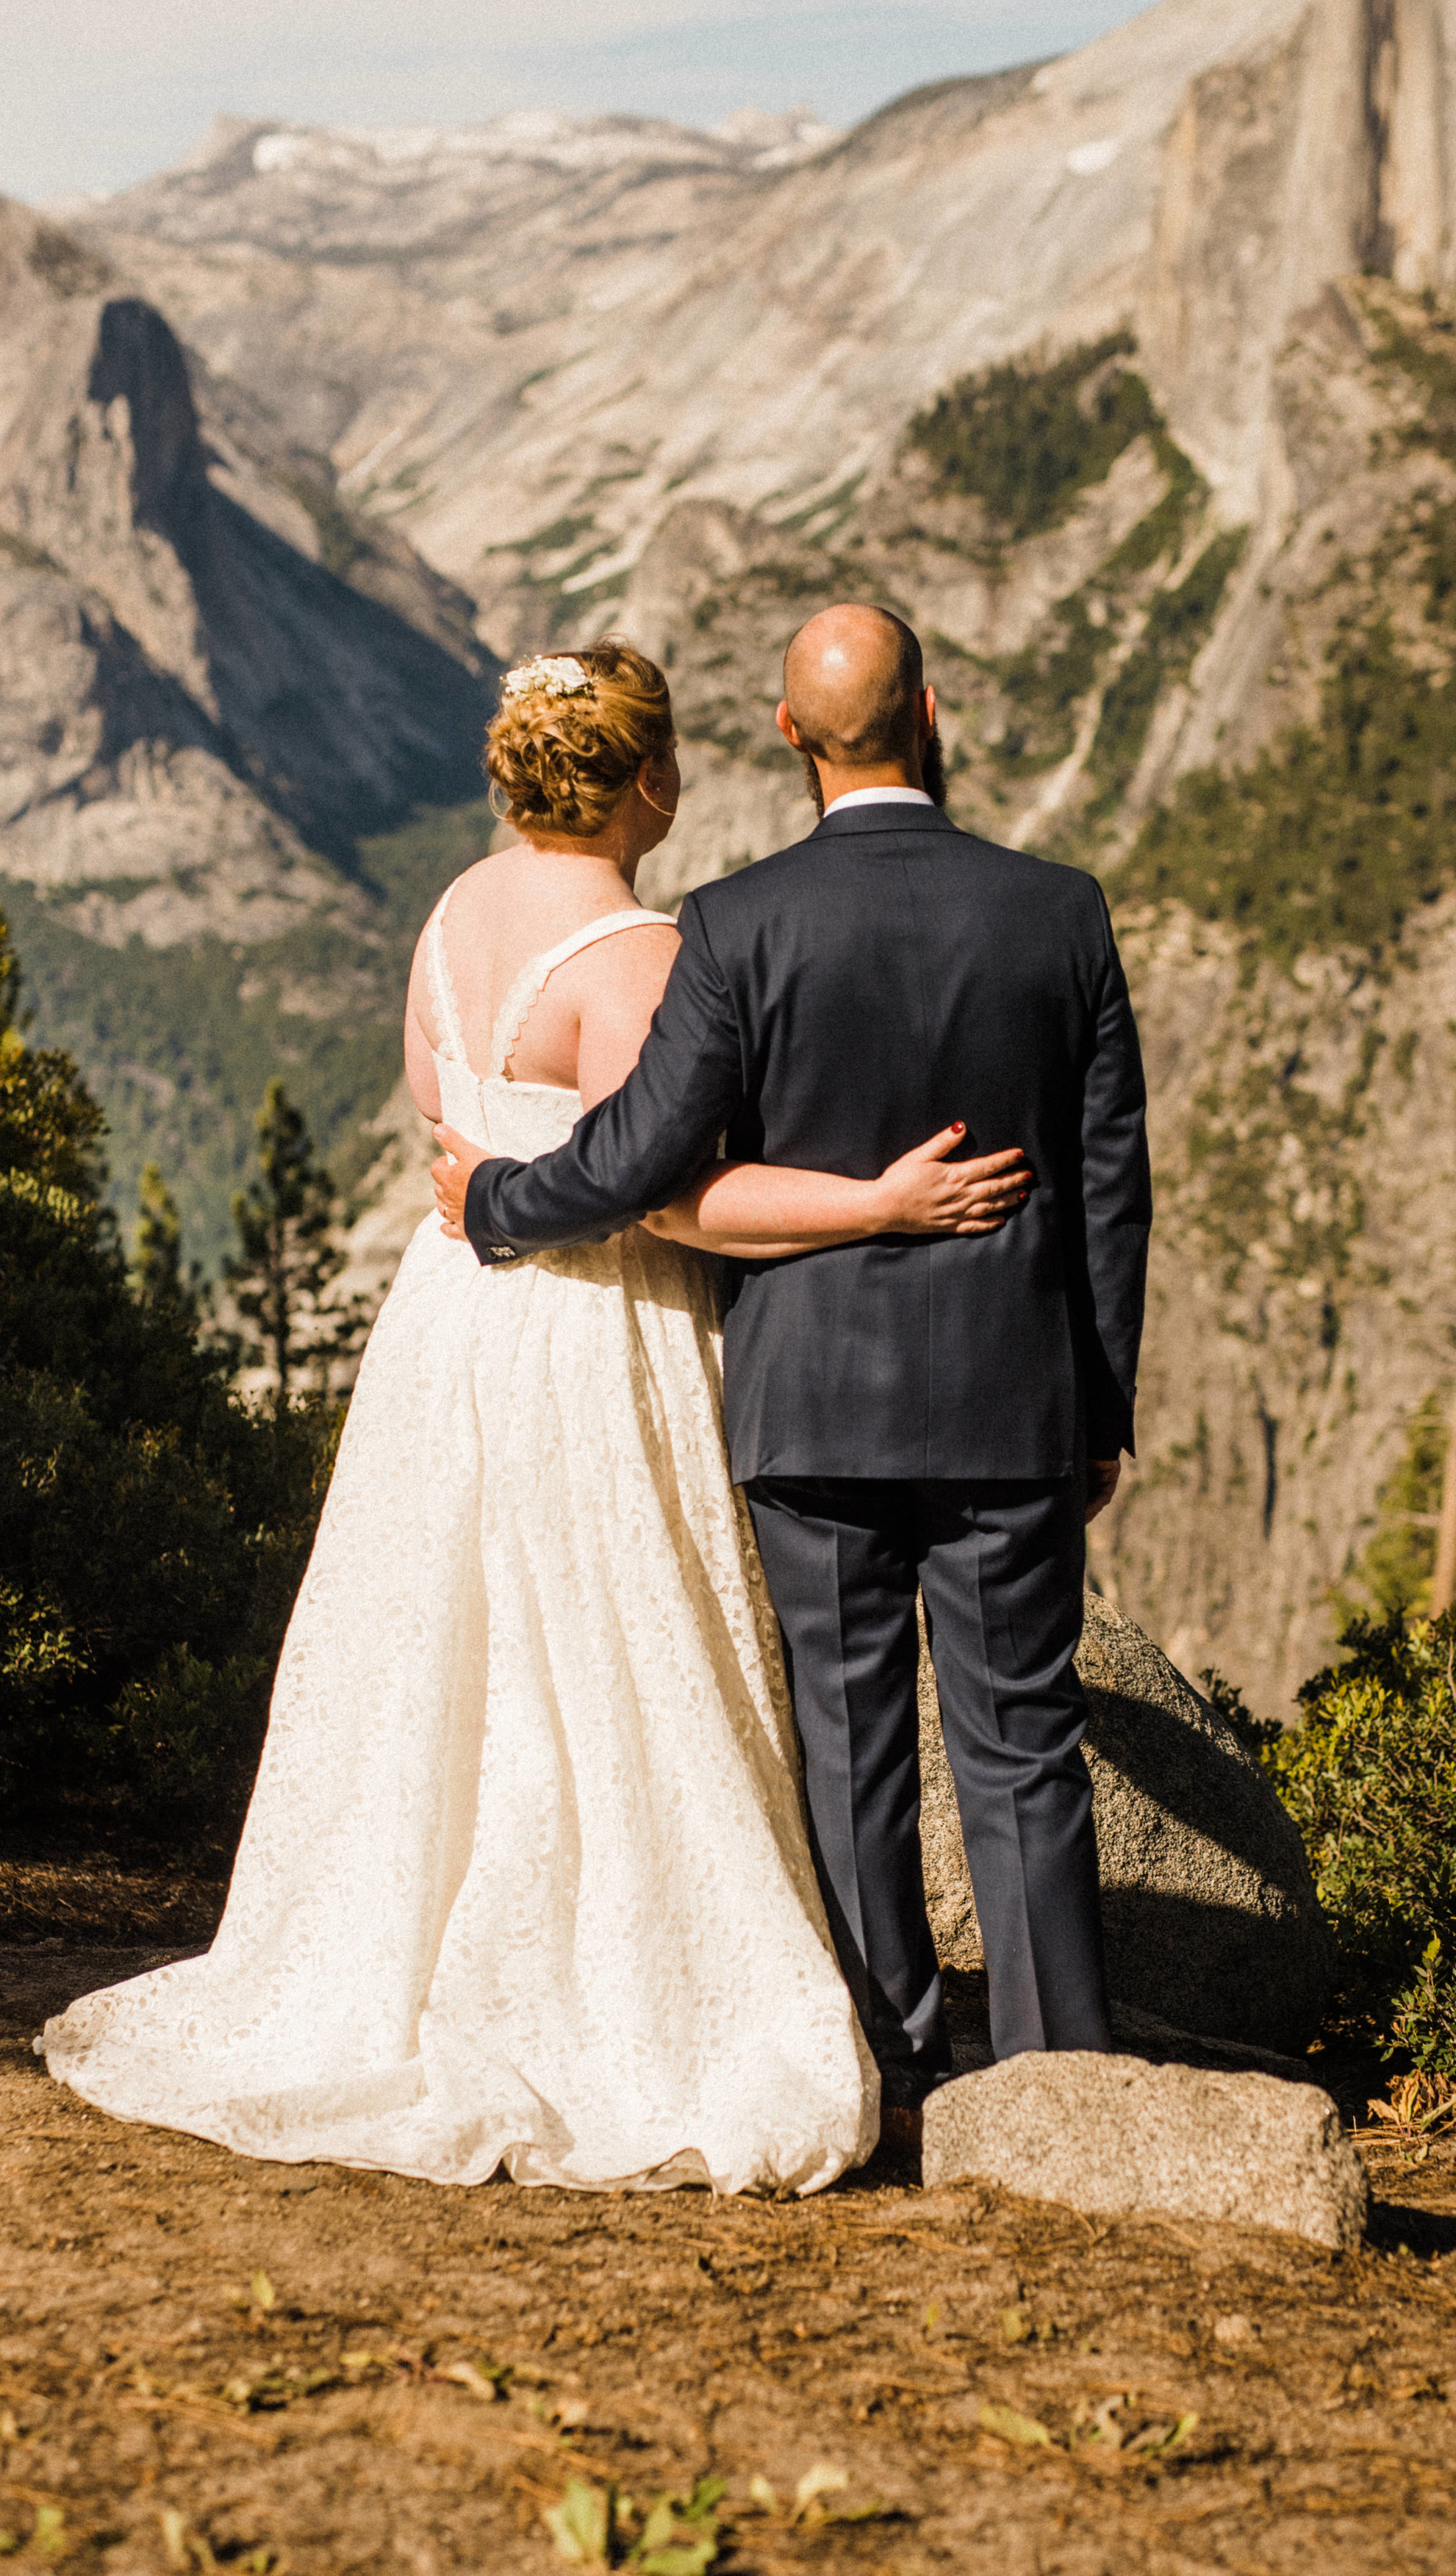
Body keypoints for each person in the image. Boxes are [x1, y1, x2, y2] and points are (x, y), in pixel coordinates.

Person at [38, 638, 1029, 2194]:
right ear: (646, 780)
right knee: (612, 1649)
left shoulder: (448, 917)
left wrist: (493, 1185)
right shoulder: (634, 955)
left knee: (452, 1646)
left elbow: (446, 1123)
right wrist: (879, 1201)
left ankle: (406, 1955)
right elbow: (672, 1198)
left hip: (449, 1325)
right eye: (675, 757)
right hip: (589, 1331)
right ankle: (601, 1991)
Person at [434, 605, 1152, 2148]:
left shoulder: (735, 921)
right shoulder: (1059, 913)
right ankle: (1057, 2090)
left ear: (786, 735)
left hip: (807, 1406)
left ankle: (890, 2075)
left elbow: (636, 1158)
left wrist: (492, 1201)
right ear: (932, 713)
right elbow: (1110, 1192)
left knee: (850, 1751)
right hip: (1008, 1400)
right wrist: (1096, 1412)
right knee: (1023, 1740)